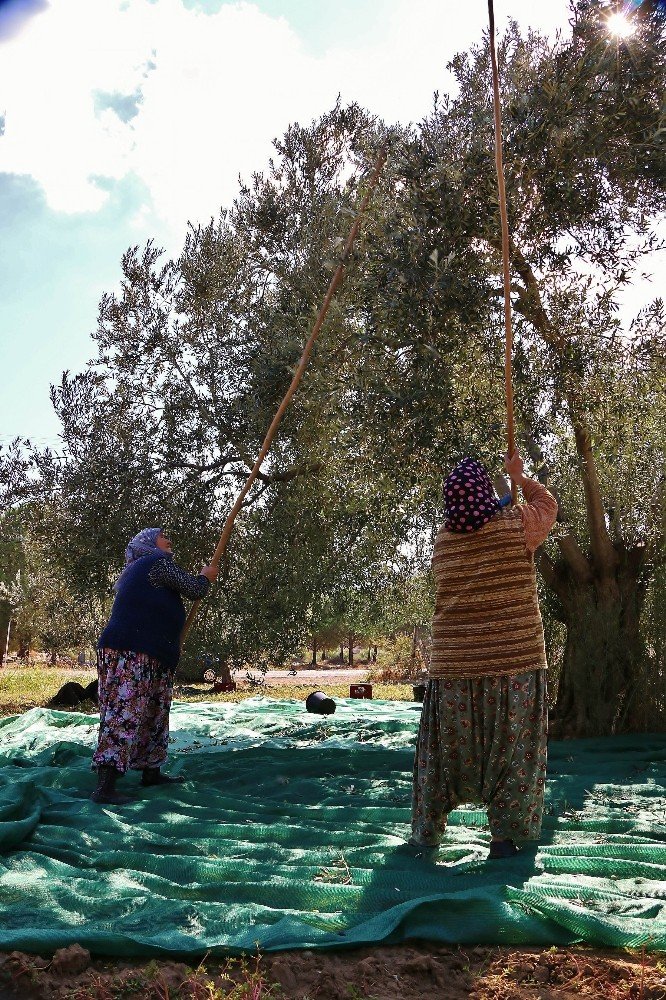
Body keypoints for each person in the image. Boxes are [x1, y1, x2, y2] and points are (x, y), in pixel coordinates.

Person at [411, 450, 558, 858]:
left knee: (443, 755)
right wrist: (519, 477)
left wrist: (507, 498)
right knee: (513, 751)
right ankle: (503, 840)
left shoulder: (443, 542)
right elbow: (547, 506)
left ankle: (427, 833)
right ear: (484, 493)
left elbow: (481, 518)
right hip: (514, 663)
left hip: (454, 667)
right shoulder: (516, 525)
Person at [91, 527, 218, 804]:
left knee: (154, 711)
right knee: (124, 711)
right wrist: (205, 577)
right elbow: (194, 589)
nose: (168, 539)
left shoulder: (147, 570)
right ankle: (105, 787)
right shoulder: (155, 563)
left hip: (152, 653)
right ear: (148, 544)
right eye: (162, 536)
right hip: (130, 650)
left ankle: (151, 772)